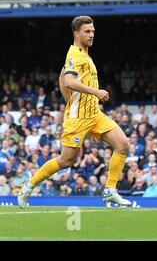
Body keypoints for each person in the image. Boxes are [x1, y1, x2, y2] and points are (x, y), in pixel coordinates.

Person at [18, 16, 131, 208]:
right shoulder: (75, 55)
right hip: (78, 117)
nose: (92, 34)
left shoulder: (85, 54)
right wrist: (96, 92)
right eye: (87, 31)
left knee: (122, 144)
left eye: (93, 31)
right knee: (65, 161)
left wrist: (76, 97)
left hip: (94, 114)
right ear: (76, 34)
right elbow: (69, 82)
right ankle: (28, 186)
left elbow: (63, 79)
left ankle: (110, 190)